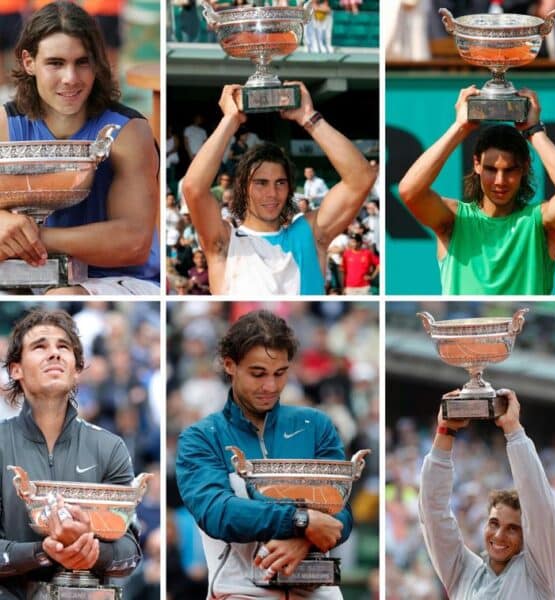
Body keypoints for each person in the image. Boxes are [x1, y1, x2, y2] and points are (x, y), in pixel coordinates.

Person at [175, 310, 353, 600]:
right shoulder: (201, 437)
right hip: (240, 594)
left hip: (320, 593)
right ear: (230, 365)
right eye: (258, 374)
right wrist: (301, 522)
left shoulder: (316, 425)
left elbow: (341, 512)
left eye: (280, 373)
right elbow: (218, 513)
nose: (270, 386)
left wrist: (303, 543)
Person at [0, 1, 159, 294]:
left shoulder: (128, 131)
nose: (70, 78)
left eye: (82, 62)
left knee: (62, 295)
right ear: (28, 62)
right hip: (24, 271)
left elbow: (133, 242)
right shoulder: (6, 123)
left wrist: (31, 236)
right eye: (56, 63)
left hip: (114, 278)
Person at [180, 83, 375, 295]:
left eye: (280, 183)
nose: (272, 193)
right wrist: (230, 120)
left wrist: (309, 118)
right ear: (243, 188)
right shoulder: (225, 242)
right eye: (261, 183)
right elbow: (193, 188)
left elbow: (361, 179)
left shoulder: (308, 235)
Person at [0, 308, 142, 599]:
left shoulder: (110, 447)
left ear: (77, 368)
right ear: (16, 369)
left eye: (63, 347)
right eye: (40, 346)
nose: (54, 353)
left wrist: (93, 553)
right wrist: (44, 552)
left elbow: (130, 551)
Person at [398, 86, 555, 295]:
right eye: (491, 169)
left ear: (525, 167)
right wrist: (460, 127)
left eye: (509, 170)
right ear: (477, 164)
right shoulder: (453, 219)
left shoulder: (541, 223)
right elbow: (409, 191)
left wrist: (535, 132)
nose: (500, 181)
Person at [418, 389, 555, 599]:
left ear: (526, 536)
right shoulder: (462, 571)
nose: (499, 535)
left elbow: (540, 505)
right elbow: (432, 512)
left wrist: (513, 429)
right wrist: (445, 431)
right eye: (494, 523)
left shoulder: (538, 572)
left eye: (512, 528)